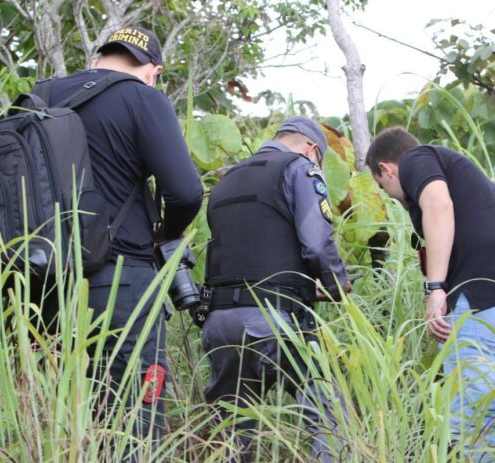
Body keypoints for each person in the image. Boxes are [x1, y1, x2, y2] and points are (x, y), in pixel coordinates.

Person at [33, 25, 203, 455]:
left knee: (60, 413)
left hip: (41, 284)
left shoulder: (41, 96)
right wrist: (167, 233)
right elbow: (184, 192)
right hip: (120, 282)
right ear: (153, 71)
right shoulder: (142, 96)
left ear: (97, 59)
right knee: (133, 418)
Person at [366, 127, 495, 461]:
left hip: (485, 299)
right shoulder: (467, 178)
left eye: (383, 186)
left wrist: (435, 288)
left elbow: (438, 205)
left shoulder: (417, 158)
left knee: (470, 419)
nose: (391, 195)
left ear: (386, 168)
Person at [201, 116, 352, 462]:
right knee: (327, 413)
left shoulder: (228, 180)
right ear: (312, 149)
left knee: (233, 434)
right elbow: (316, 243)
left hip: (219, 322)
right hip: (275, 319)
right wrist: (337, 284)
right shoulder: (299, 168)